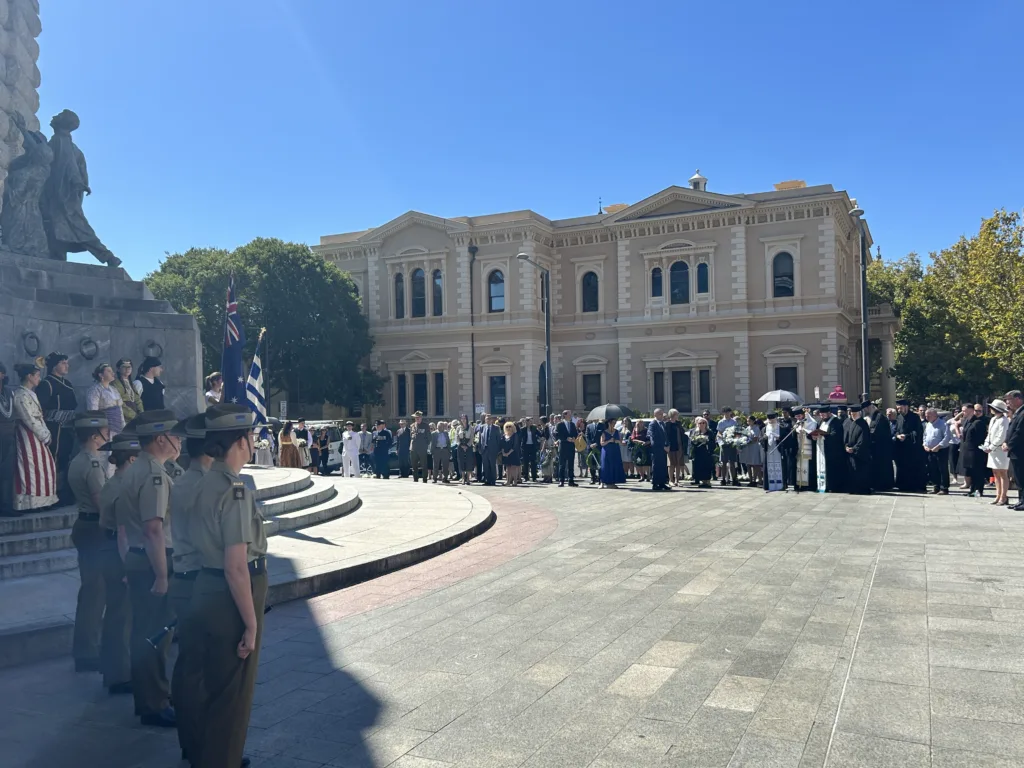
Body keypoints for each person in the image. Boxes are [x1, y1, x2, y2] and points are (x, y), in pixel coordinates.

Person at [188, 404, 265, 768]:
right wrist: (251, 624)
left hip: (206, 586)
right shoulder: (234, 490)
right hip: (228, 594)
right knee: (233, 692)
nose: (254, 443)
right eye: (250, 437)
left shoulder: (204, 482)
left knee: (215, 685)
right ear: (240, 441)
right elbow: (236, 566)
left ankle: (209, 756)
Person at [116, 409, 181, 728]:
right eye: (174, 435)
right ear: (160, 438)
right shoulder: (153, 474)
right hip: (155, 557)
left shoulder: (137, 468)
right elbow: (153, 528)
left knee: (144, 632)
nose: (179, 441)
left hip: (140, 558)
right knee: (156, 636)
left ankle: (149, 698)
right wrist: (161, 575)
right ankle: (154, 703)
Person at [167, 413, 212, 763]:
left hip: (183, 575)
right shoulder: (205, 485)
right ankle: (203, 744)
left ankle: (191, 739)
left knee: (189, 665)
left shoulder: (181, 480)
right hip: (200, 579)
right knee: (203, 668)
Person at [67, 410, 111, 673]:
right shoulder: (92, 464)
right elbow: (101, 503)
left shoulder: (78, 460)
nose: (108, 436)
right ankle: (87, 651)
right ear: (96, 436)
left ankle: (86, 647)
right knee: (96, 592)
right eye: (105, 432)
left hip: (85, 525)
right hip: (94, 528)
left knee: (91, 591)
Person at [96, 429, 138, 695]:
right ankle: (120, 674)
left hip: (107, 547)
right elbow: (124, 531)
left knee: (114, 613)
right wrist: (127, 566)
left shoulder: (112, 483)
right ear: (131, 460)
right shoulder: (125, 487)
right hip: (119, 550)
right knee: (122, 616)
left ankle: (112, 669)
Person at [12, 359, 58, 511]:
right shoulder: (20, 395)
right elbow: (28, 418)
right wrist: (44, 434)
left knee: (43, 466)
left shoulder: (31, 393)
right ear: (29, 376)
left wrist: (45, 433)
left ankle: (43, 500)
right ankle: (29, 502)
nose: (39, 378)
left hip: (38, 433)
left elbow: (38, 416)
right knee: (30, 466)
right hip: (27, 433)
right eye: (37, 375)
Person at [36, 351, 77, 501]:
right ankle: (51, 493)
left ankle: (63, 491)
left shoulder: (68, 384)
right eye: (63, 363)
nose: (67, 366)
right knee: (54, 458)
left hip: (67, 427)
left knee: (65, 457)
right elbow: (41, 407)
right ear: (54, 366)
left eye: (67, 362)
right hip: (53, 427)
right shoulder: (46, 383)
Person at [894, 399, 926, 492]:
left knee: (912, 468)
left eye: (900, 408)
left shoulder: (915, 418)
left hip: (912, 448)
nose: (899, 410)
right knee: (902, 467)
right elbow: (896, 430)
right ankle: (902, 485)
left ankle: (914, 486)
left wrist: (906, 436)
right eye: (898, 409)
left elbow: (918, 432)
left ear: (906, 407)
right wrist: (897, 435)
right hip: (901, 448)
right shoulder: (899, 417)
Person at [983, 399, 1011, 506]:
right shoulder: (993, 419)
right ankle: (998, 495)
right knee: (995, 473)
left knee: (1003, 473)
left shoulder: (1004, 420)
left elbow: (1001, 436)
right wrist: (986, 444)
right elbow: (990, 434)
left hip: (1000, 450)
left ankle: (1003, 496)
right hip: (993, 450)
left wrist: (992, 446)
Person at [86, 362, 125, 437]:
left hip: (117, 426)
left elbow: (120, 410)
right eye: (109, 371)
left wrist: (123, 426)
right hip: (105, 427)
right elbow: (93, 412)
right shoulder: (94, 390)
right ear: (101, 375)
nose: (112, 373)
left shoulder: (114, 389)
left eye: (112, 371)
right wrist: (97, 430)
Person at [959, 403, 989, 498]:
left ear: (971, 411)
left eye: (964, 411)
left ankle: (978, 490)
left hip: (976, 452)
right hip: (967, 451)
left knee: (978, 472)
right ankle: (972, 490)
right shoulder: (967, 421)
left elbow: (981, 438)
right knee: (971, 472)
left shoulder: (978, 422)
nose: (962, 413)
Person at [844, 402, 873, 495]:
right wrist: (846, 446)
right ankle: (853, 488)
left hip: (860, 455)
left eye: (854, 413)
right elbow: (847, 437)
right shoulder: (852, 423)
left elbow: (863, 440)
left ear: (859, 413)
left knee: (860, 472)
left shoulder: (863, 424)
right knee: (852, 471)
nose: (853, 415)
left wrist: (854, 449)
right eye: (852, 413)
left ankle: (861, 489)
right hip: (851, 453)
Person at [0, 363, 17, 517]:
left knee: (7, 472)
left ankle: (6, 505)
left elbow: (14, 414)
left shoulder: (9, 393)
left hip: (8, 437)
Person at [865, 402, 894, 492]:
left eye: (867, 409)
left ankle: (883, 485)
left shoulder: (879, 417)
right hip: (877, 448)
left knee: (883, 467)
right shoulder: (874, 417)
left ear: (871, 408)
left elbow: (875, 431)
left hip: (882, 448)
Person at [1003, 390, 1024, 510]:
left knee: (1021, 476)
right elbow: (1010, 430)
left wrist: (1009, 444)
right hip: (1015, 451)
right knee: (1017, 477)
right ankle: (1021, 500)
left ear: (1018, 399)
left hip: (1020, 450)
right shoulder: (1018, 412)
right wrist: (1006, 441)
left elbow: (1019, 432)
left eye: (1009, 399)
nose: (1007, 402)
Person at [922, 407, 950, 495]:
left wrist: (939, 446)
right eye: (926, 416)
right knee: (933, 469)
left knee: (942, 469)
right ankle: (936, 486)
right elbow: (925, 436)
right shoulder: (928, 424)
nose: (927, 417)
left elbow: (947, 437)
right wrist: (924, 444)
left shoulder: (943, 424)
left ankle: (944, 488)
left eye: (928, 416)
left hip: (940, 450)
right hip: (930, 450)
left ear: (934, 415)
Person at [793, 407, 818, 492]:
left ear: (803, 415)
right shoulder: (798, 423)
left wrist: (805, 432)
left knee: (809, 468)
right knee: (800, 468)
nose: (798, 418)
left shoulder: (812, 422)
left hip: (809, 449)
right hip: (800, 448)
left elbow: (813, 434)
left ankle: (810, 485)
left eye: (799, 416)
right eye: (797, 417)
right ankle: (800, 484)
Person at [113, 359, 143, 424]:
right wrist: (134, 415)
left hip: (135, 417)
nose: (127, 369)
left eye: (129, 367)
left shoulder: (131, 384)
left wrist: (141, 414)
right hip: (123, 418)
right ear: (118, 369)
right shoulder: (114, 384)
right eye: (124, 367)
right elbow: (118, 403)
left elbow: (137, 400)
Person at [597, 419, 625, 488]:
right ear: (609, 423)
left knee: (614, 465)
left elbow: (621, 442)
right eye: (613, 423)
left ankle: (612, 482)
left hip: (615, 451)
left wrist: (617, 441)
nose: (614, 424)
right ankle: (603, 481)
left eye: (615, 423)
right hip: (607, 451)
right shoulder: (604, 432)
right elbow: (602, 443)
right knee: (606, 466)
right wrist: (609, 441)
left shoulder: (617, 432)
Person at [761, 413, 785, 492]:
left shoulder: (781, 428)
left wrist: (779, 438)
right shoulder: (764, 429)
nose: (771, 421)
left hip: (778, 450)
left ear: (776, 419)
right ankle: (769, 485)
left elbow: (786, 439)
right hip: (769, 450)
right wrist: (765, 437)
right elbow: (760, 439)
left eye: (773, 420)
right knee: (769, 467)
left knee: (779, 466)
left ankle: (781, 485)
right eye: (769, 420)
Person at [554, 411, 578, 487]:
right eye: (569, 414)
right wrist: (566, 439)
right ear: (564, 415)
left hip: (571, 446)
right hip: (563, 446)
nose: (570, 415)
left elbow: (575, 433)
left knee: (571, 464)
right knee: (562, 465)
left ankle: (571, 480)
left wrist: (574, 438)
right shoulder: (560, 424)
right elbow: (557, 435)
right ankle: (561, 481)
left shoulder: (572, 424)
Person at [689, 417, 715, 488]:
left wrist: (707, 442)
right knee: (699, 467)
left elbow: (713, 442)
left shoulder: (709, 432)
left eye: (703, 423)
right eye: (700, 423)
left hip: (706, 453)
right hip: (698, 453)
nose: (702, 424)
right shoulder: (695, 432)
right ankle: (703, 481)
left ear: (706, 424)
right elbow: (692, 441)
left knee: (707, 466)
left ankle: (707, 481)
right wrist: (697, 441)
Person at [716, 408, 739, 486]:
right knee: (724, 462)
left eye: (728, 412)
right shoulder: (721, 422)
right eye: (725, 412)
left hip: (732, 443)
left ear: (730, 412)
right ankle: (723, 479)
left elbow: (737, 432)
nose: (726, 413)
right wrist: (722, 436)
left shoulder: (734, 422)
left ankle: (734, 479)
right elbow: (718, 432)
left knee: (732, 462)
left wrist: (734, 438)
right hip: (724, 443)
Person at [649, 409, 671, 491]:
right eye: (661, 414)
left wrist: (668, 445)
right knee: (656, 466)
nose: (662, 416)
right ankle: (655, 484)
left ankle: (662, 483)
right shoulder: (653, 424)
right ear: (656, 415)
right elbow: (653, 438)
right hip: (657, 449)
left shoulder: (662, 424)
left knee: (663, 466)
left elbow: (665, 436)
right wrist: (662, 446)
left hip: (664, 449)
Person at [479, 414, 501, 486]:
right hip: (484, 450)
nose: (487, 420)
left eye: (489, 419)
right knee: (485, 466)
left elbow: (498, 440)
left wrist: (498, 450)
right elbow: (480, 439)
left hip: (493, 450)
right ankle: (487, 480)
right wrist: (480, 448)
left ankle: (493, 480)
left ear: (492, 420)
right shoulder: (482, 427)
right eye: (486, 419)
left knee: (492, 465)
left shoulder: (496, 428)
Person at [665, 410, 684, 487]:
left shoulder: (678, 423)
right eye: (676, 414)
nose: (677, 416)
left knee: (678, 463)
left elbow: (682, 432)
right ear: (672, 415)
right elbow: (666, 435)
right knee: (671, 464)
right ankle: (670, 480)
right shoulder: (667, 424)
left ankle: (677, 480)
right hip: (670, 445)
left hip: (678, 445)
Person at [410, 412, 431, 483]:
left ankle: (424, 479)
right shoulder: (412, 426)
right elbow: (411, 436)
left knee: (424, 465)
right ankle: (415, 479)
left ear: (421, 418)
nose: (417, 419)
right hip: (413, 448)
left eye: (418, 418)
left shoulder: (425, 426)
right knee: (414, 465)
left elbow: (429, 437)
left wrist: (425, 446)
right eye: (416, 418)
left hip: (422, 448)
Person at [500, 421, 521, 486]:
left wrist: (508, 453)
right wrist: (503, 452)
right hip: (505, 454)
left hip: (513, 454)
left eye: (510, 426)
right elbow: (502, 445)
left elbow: (515, 446)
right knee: (507, 468)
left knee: (513, 468)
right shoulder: (504, 436)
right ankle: (508, 481)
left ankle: (515, 481)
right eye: (507, 427)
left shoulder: (515, 435)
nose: (508, 428)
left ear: (513, 427)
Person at [520, 417, 540, 482]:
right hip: (525, 447)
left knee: (533, 462)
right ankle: (526, 477)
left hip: (532, 447)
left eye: (532, 421)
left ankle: (534, 477)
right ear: (527, 422)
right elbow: (520, 437)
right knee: (525, 462)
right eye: (530, 421)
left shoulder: (534, 428)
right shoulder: (523, 429)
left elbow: (539, 434)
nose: (531, 422)